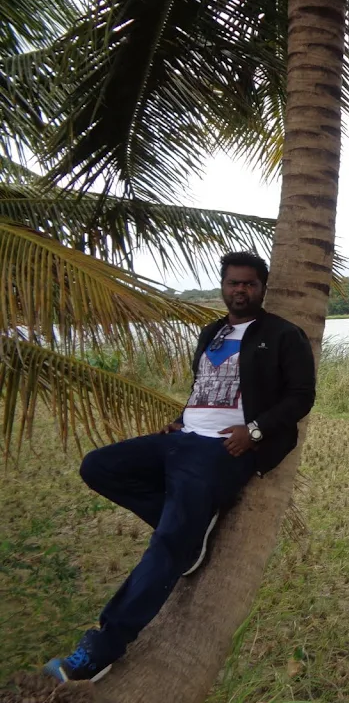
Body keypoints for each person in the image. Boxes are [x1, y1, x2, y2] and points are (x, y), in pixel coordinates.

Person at [43, 252, 316, 684]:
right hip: (183, 438)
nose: (239, 290)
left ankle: (102, 647)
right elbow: (203, 387)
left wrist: (255, 432)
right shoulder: (212, 332)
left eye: (248, 284)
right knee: (98, 466)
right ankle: (188, 535)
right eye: (232, 283)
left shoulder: (283, 335)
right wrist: (182, 417)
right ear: (222, 286)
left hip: (224, 450)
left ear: (262, 287)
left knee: (167, 543)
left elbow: (301, 395)